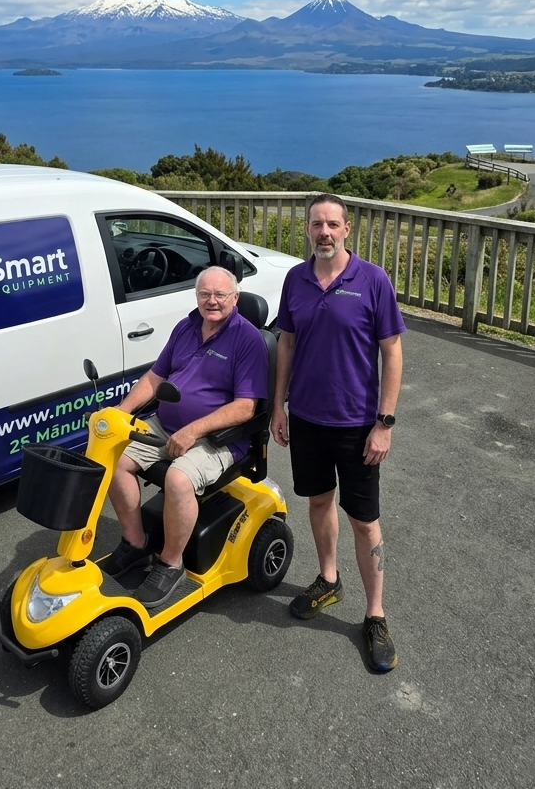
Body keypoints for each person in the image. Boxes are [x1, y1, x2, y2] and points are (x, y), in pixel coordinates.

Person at [270, 193, 406, 672]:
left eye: (332, 224)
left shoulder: (371, 280)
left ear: (347, 229)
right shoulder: (295, 279)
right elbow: (286, 342)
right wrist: (278, 406)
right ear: (306, 230)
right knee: (319, 501)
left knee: (364, 519)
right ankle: (329, 579)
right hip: (306, 418)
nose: (324, 232)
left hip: (357, 423)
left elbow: (392, 352)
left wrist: (383, 424)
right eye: (316, 224)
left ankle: (374, 615)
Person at [100, 266, 269, 608]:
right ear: (197, 296)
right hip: (165, 425)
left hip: (218, 438)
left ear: (235, 298)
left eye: (220, 295)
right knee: (114, 457)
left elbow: (245, 408)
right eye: (205, 294)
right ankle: (135, 544)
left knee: (178, 480)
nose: (212, 301)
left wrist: (193, 430)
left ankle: (170, 563)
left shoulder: (248, 340)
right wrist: (120, 413)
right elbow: (154, 377)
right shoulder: (185, 327)